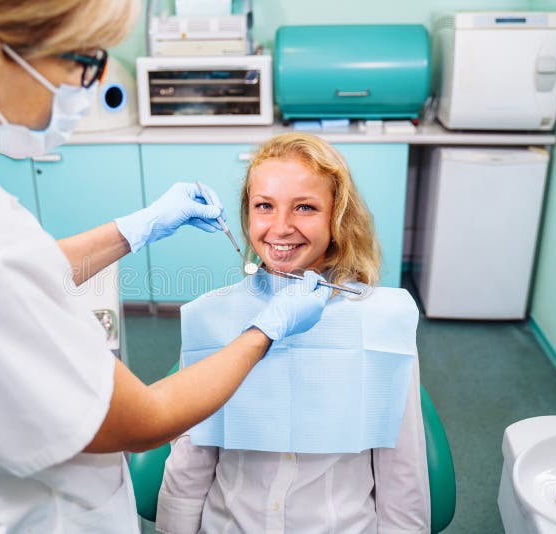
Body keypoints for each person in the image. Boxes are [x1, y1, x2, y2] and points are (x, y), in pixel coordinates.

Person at [0, 2, 331, 532]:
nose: (87, 88)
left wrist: (139, 227)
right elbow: (146, 419)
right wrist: (266, 331)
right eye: (83, 62)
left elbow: (27, 277)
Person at [156, 133, 431, 534]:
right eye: (264, 206)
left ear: (337, 219)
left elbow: (401, 470)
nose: (281, 227)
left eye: (305, 207)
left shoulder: (377, 324)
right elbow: (191, 458)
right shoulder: (214, 318)